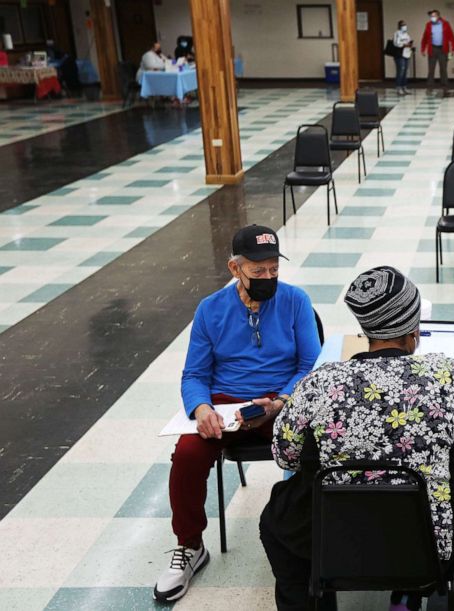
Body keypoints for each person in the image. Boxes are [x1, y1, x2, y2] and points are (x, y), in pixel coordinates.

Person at [259, 266, 454, 611]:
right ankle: (410, 592)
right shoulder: (446, 373)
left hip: (338, 540)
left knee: (277, 522)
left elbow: (285, 454)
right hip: (431, 540)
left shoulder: (320, 382)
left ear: (366, 330)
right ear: (414, 332)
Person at [153, 225, 321, 602]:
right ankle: (190, 545)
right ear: (235, 268)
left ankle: (309, 534)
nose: (268, 277)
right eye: (258, 271)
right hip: (226, 404)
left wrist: (281, 400)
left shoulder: (295, 301)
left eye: (274, 269)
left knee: (313, 448)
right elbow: (194, 373)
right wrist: (200, 408)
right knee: (186, 456)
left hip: (279, 401)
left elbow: (310, 363)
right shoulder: (210, 309)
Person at [420, 9, 454, 91]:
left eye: (434, 16)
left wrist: (453, 48)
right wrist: (423, 49)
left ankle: (444, 84)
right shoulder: (428, 25)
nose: (432, 17)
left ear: (438, 16)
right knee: (431, 68)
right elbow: (424, 38)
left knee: (443, 67)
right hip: (432, 48)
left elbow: (452, 37)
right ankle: (430, 85)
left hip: (443, 48)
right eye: (431, 16)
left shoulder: (445, 24)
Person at [392, 20, 413, 95]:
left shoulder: (407, 34)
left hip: (406, 54)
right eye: (403, 25)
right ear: (400, 26)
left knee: (405, 71)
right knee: (401, 71)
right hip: (399, 54)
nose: (405, 26)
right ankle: (398, 87)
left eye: (405, 25)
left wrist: (409, 44)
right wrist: (403, 44)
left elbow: (409, 41)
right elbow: (396, 43)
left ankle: (404, 87)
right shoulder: (397, 33)